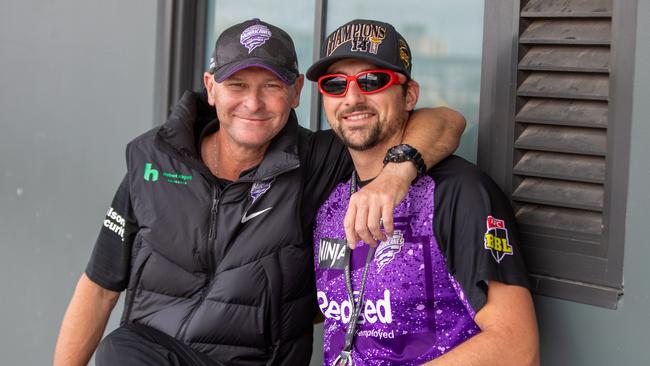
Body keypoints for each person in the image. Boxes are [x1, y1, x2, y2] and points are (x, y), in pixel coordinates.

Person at [53, 18, 465, 366]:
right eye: (237, 85)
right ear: (211, 88)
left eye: (271, 86)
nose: (253, 103)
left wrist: (397, 172)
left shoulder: (318, 161)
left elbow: (444, 120)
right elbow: (99, 286)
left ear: (296, 91)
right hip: (153, 357)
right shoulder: (154, 162)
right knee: (121, 351)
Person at [308, 19, 539, 366]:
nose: (352, 97)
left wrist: (398, 171)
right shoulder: (329, 192)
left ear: (410, 95)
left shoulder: (458, 192)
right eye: (335, 84)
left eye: (373, 81)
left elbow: (517, 348)